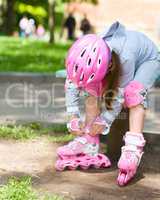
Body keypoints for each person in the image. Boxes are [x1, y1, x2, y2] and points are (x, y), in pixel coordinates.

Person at [55, 21, 160, 186]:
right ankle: (90, 141)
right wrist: (73, 115)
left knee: (133, 93)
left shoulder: (125, 58)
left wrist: (104, 120)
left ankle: (133, 148)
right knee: (92, 89)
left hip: (148, 59)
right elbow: (72, 84)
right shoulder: (84, 55)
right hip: (117, 62)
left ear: (109, 66)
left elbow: (119, 96)